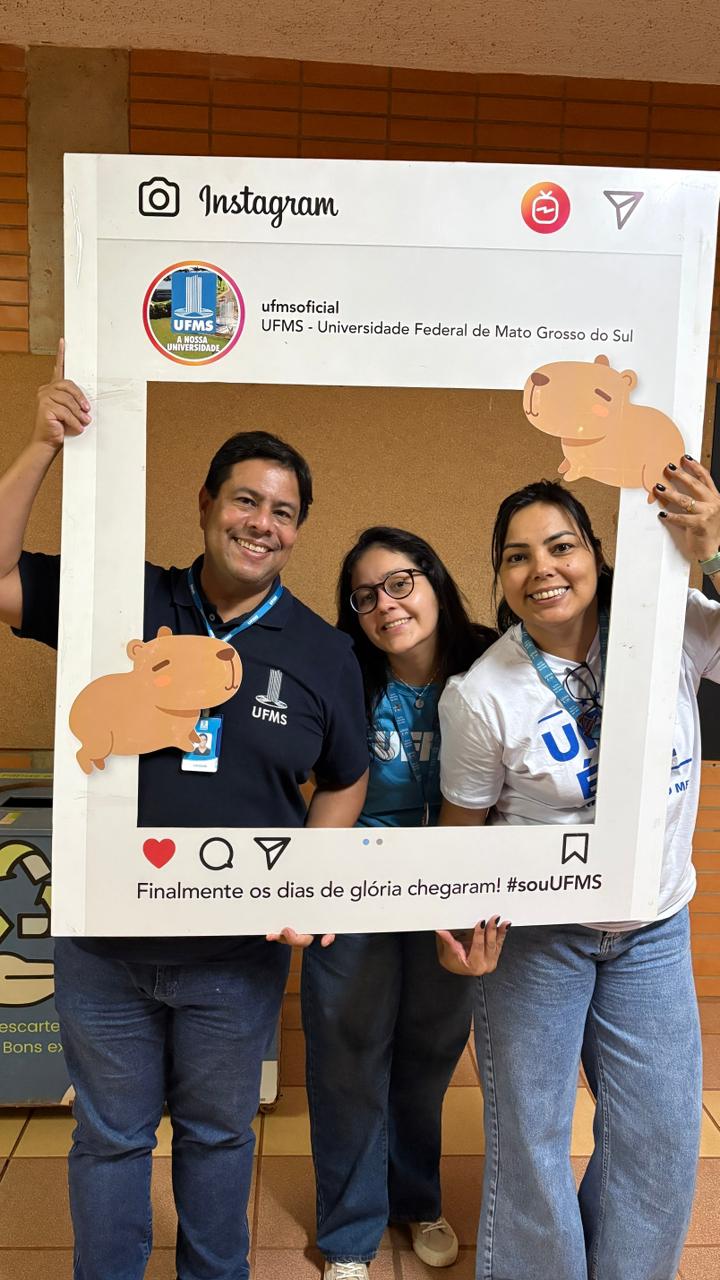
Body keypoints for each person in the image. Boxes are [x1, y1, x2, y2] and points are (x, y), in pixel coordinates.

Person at [0, 344, 369, 1280]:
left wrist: (308, 884)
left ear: (298, 532)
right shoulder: (121, 595)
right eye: (245, 500)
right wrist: (40, 446)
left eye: (283, 512)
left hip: (234, 956)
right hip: (103, 945)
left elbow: (345, 778)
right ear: (205, 504)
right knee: (110, 1139)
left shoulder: (323, 653)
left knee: (218, 1136)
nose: (262, 523)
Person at [435, 464, 720, 1280]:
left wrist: (715, 552)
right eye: (517, 556)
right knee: (531, 1140)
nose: (542, 569)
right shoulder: (482, 693)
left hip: (652, 927)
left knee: (661, 1136)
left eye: (561, 546)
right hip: (535, 936)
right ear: (500, 577)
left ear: (596, 553)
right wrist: (456, 933)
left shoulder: (668, 628)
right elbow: (461, 836)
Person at [300, 526, 502, 1280]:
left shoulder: (492, 664)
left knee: (429, 1054)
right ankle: (349, 1233)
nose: (385, 605)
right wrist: (311, 888)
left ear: (434, 579)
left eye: (399, 583)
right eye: (365, 596)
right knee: (347, 1057)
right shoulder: (345, 677)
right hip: (357, 895)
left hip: (455, 896)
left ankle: (417, 1200)